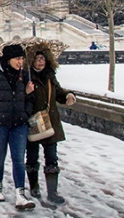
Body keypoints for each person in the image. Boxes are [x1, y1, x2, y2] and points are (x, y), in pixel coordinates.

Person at [0, 44, 36, 210]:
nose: (20, 62)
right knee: (0, 156)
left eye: (22, 59)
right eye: (17, 58)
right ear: (8, 59)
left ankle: (20, 194)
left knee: (18, 159)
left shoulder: (24, 76)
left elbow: (30, 100)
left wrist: (25, 112)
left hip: (19, 124)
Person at [25, 50, 76, 205]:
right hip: (33, 122)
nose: (41, 62)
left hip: (49, 122)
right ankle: (34, 187)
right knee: (32, 158)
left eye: (43, 59)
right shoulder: (25, 77)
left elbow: (58, 92)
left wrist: (67, 95)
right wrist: (26, 92)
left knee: (52, 158)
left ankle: (52, 192)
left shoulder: (50, 75)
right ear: (31, 61)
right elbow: (18, 98)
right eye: (37, 59)